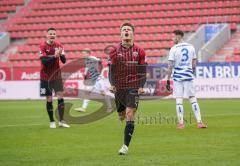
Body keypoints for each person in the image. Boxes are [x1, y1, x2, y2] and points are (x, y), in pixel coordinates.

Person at [108, 22, 147, 155]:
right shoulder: (114, 50)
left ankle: (125, 146)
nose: (126, 31)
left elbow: (142, 70)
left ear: (132, 33)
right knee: (121, 113)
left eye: (128, 30)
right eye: (124, 29)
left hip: (133, 86)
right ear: (120, 33)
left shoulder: (140, 51)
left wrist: (141, 86)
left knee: (130, 113)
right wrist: (112, 84)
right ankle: (120, 113)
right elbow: (111, 69)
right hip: (119, 86)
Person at [166, 30, 207, 129]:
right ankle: (199, 122)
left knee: (179, 100)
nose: (173, 39)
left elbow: (170, 66)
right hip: (188, 76)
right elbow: (194, 63)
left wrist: (168, 80)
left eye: (174, 37)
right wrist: (191, 71)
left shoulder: (173, 49)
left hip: (177, 77)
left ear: (178, 37)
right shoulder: (191, 47)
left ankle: (181, 124)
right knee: (192, 98)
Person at [39, 27, 70, 128]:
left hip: (56, 76)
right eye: (50, 33)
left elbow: (64, 61)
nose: (52, 35)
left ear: (55, 35)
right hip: (45, 77)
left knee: (60, 96)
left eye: (54, 34)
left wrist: (60, 55)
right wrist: (54, 56)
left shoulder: (59, 45)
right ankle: (52, 121)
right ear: (47, 35)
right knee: (49, 98)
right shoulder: (43, 46)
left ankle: (61, 121)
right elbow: (44, 62)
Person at [74, 48, 112, 112]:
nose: (83, 55)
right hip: (92, 80)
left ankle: (110, 107)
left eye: (84, 53)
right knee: (87, 93)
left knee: (103, 93)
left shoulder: (92, 58)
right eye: (82, 54)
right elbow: (87, 68)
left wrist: (99, 61)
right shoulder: (86, 60)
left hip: (98, 79)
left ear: (88, 53)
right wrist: (85, 76)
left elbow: (99, 61)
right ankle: (83, 108)